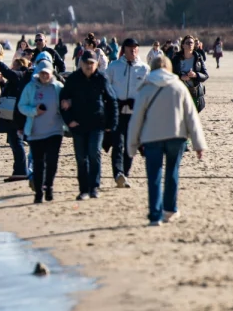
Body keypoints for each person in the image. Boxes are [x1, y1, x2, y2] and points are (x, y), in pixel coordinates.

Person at [127, 55, 207, 226]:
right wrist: (198, 144)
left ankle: (155, 216)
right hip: (176, 137)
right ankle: (170, 210)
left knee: (154, 175)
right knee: (172, 173)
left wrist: (132, 145)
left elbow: (137, 119)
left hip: (152, 137)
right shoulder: (179, 86)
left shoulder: (146, 87)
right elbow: (191, 117)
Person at [60, 50, 118, 199]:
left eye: (92, 64)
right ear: (81, 63)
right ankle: (84, 190)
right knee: (81, 157)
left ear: (96, 64)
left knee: (94, 153)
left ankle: (94, 187)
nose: (89, 66)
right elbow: (63, 101)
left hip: (97, 124)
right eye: (86, 63)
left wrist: (111, 123)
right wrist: (69, 120)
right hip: (78, 125)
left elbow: (112, 101)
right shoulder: (73, 79)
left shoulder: (101, 79)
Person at [18, 55, 65, 203]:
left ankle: (49, 186)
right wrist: (34, 111)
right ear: (38, 73)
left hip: (55, 131)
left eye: (47, 73)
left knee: (52, 162)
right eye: (42, 73)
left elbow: (66, 106)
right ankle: (38, 192)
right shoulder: (30, 87)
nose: (44, 75)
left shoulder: (58, 87)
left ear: (51, 73)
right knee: (38, 164)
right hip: (35, 132)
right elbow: (21, 106)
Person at [105, 37, 148, 188]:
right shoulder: (114, 67)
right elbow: (105, 85)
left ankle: (125, 174)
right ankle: (118, 173)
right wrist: (112, 102)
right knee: (118, 144)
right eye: (130, 48)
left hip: (135, 113)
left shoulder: (144, 68)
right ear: (124, 49)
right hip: (117, 112)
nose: (133, 50)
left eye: (135, 48)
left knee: (131, 145)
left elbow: (149, 90)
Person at [0, 57, 32, 182]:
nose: (12, 67)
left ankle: (21, 171)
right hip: (12, 114)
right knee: (13, 142)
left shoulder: (21, 74)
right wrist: (1, 82)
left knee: (16, 142)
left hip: (16, 116)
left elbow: (9, 73)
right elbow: (10, 91)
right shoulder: (18, 77)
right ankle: (18, 171)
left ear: (19, 66)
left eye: (13, 65)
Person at [172, 35, 209, 111]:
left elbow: (205, 75)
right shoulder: (176, 58)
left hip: (194, 92)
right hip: (180, 91)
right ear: (183, 45)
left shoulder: (198, 58)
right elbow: (170, 74)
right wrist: (181, 77)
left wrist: (196, 75)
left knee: (192, 116)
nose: (190, 44)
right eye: (187, 42)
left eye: (192, 42)